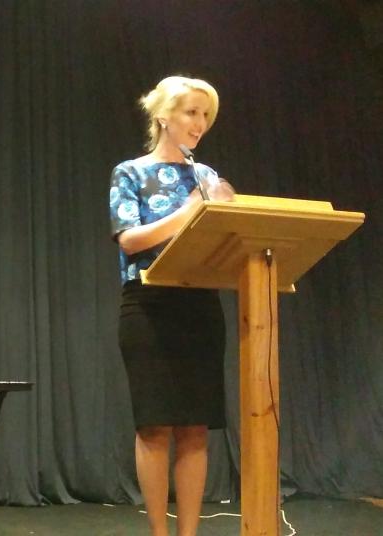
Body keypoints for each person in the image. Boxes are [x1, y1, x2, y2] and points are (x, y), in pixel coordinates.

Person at [109, 76, 235, 536]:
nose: (200, 123)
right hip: (149, 306)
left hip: (200, 307)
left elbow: (227, 241)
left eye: (206, 115)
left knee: (196, 427)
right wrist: (189, 212)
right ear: (164, 116)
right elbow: (130, 239)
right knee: (155, 426)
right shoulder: (130, 172)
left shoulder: (207, 177)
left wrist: (227, 212)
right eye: (191, 112)